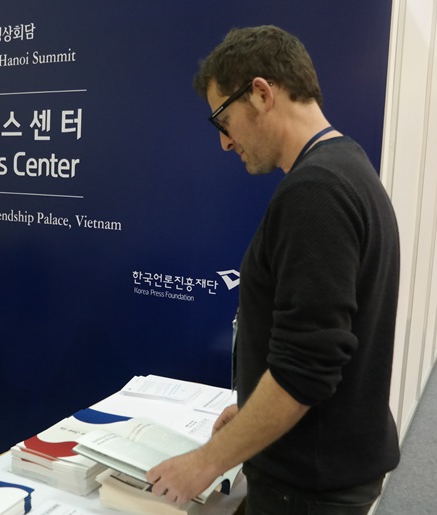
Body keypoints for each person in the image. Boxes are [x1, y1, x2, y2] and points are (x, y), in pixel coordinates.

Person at [146, 25, 401, 514]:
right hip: (328, 460)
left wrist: (204, 463)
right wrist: (252, 411)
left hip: (308, 486)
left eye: (223, 119)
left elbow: (307, 368)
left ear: (261, 93)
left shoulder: (316, 192)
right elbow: (326, 342)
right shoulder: (347, 168)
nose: (224, 143)